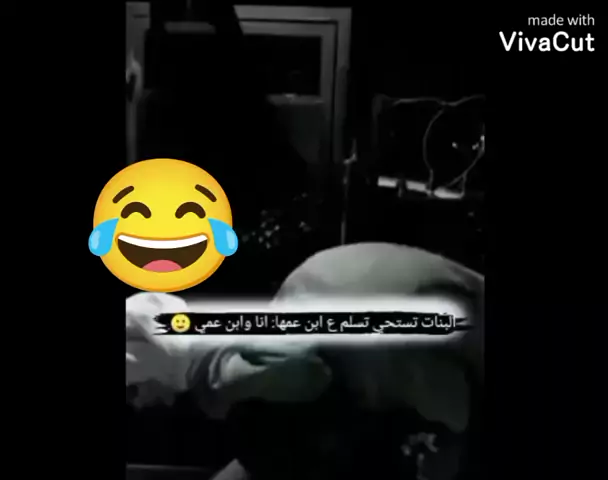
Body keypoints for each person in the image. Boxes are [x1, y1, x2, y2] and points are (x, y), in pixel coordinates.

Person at [126, 242, 484, 480]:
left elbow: (310, 377)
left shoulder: (225, 378)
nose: (138, 404)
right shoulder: (260, 322)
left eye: (132, 391)